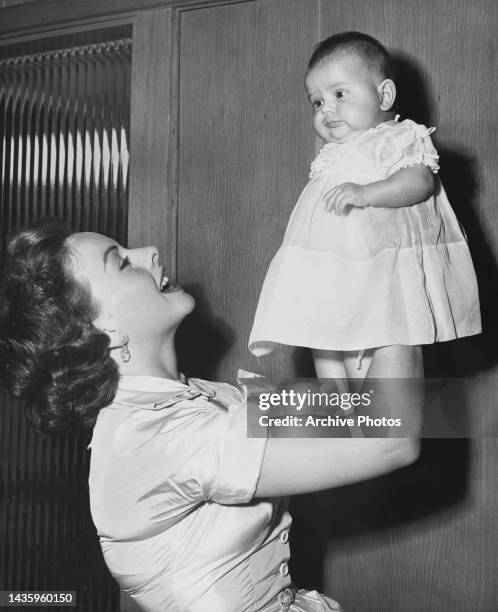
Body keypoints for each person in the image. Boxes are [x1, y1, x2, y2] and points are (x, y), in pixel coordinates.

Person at [0, 218, 423, 611]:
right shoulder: (152, 440)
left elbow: (356, 415)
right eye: (123, 263)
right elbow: (391, 439)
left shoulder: (205, 400)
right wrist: (395, 274)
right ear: (102, 334)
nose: (149, 251)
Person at [249, 32, 481, 382]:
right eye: (316, 102)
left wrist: (368, 192)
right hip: (331, 268)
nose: (326, 108)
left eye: (339, 94)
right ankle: (333, 389)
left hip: (376, 271)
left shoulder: (397, 136)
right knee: (318, 325)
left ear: (384, 94)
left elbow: (421, 181)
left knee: (377, 343)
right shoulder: (331, 155)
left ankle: (360, 406)